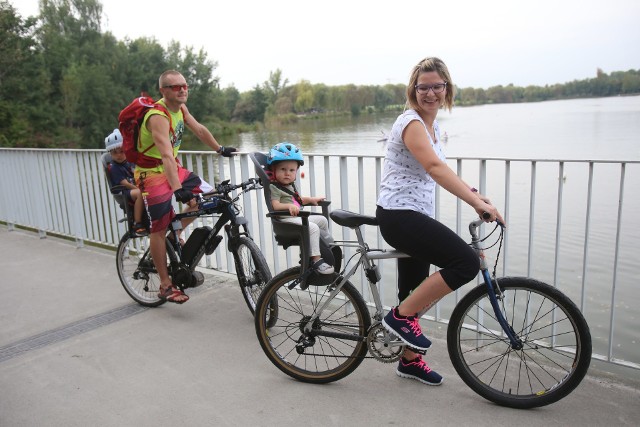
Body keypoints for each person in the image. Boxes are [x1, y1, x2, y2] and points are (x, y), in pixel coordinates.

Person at [376, 57, 505, 385]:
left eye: (437, 86)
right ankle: (399, 317)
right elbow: (434, 168)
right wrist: (475, 202)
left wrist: (477, 196)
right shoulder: (411, 123)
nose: (430, 93)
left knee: (413, 290)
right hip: (400, 216)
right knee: (465, 262)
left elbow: (439, 170)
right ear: (413, 90)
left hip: (414, 215)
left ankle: (409, 360)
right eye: (423, 87)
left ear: (447, 89)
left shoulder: (432, 127)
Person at [134, 70, 236, 304]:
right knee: (157, 229)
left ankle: (176, 231)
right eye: (176, 86)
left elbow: (199, 129)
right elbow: (166, 155)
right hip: (151, 173)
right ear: (163, 91)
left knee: (210, 197)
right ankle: (165, 285)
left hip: (172, 167)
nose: (182, 90)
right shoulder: (157, 115)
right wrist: (178, 188)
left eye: (185, 85)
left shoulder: (180, 109)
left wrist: (220, 149)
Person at [267, 142, 334, 274]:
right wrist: (288, 206)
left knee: (322, 220)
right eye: (283, 169)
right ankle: (316, 260)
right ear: (274, 170)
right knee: (312, 227)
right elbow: (275, 205)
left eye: (291, 170)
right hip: (285, 220)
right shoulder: (274, 187)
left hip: (295, 217)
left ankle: (325, 248)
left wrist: (312, 200)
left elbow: (299, 200)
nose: (287, 173)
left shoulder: (290, 186)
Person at [104, 129, 146, 235]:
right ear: (110, 153)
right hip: (124, 191)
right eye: (115, 153)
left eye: (122, 151)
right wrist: (138, 188)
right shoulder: (114, 167)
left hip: (133, 189)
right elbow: (124, 183)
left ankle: (150, 217)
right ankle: (137, 222)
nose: (119, 155)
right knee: (141, 193)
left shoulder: (129, 163)